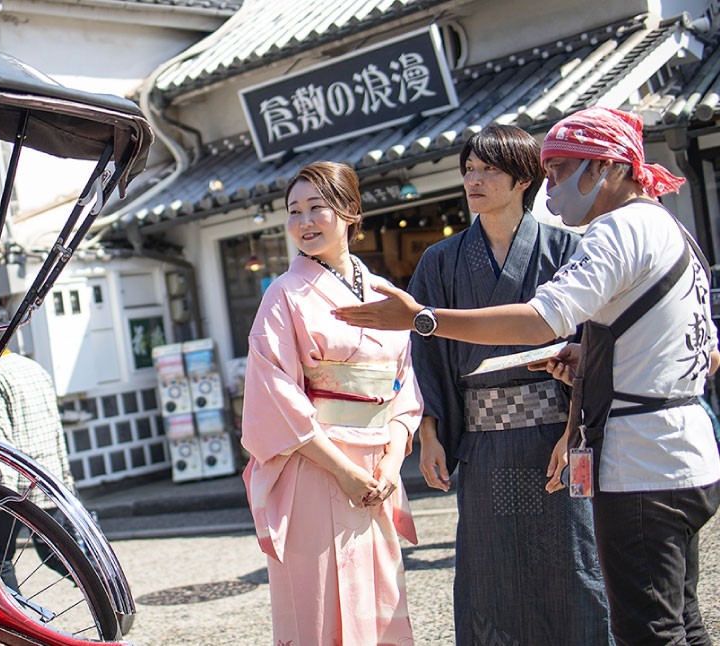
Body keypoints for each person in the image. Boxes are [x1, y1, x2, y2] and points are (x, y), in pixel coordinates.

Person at [334, 107, 720, 645]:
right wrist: (431, 430)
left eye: (559, 170)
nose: (553, 185)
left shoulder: (602, 237)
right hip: (656, 448)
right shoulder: (670, 229)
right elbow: (705, 354)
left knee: (635, 617)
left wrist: (421, 318)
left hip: (603, 446)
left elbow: (543, 319)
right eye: (467, 169)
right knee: (678, 620)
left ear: (604, 168)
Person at [407, 124, 612, 644]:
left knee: (573, 563)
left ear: (525, 179)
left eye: (488, 170)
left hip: (556, 440)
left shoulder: (569, 249)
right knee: (491, 575)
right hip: (484, 444)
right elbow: (425, 350)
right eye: (468, 170)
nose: (474, 180)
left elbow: (593, 345)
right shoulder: (440, 261)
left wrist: (575, 433)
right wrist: (428, 432)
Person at [241, 161, 423, 645]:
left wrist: (392, 458)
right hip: (316, 462)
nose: (303, 222)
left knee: (380, 599)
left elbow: (403, 385)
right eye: (293, 211)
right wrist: (343, 469)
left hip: (378, 465)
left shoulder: (384, 293)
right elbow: (274, 393)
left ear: (349, 212)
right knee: (318, 603)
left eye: (316, 207)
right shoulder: (283, 294)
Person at [0, 301, 77, 583]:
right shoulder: (34, 368)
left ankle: (18, 620)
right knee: (58, 552)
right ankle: (107, 595)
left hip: (15, 486)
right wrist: (66, 478)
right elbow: (55, 427)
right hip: (50, 476)